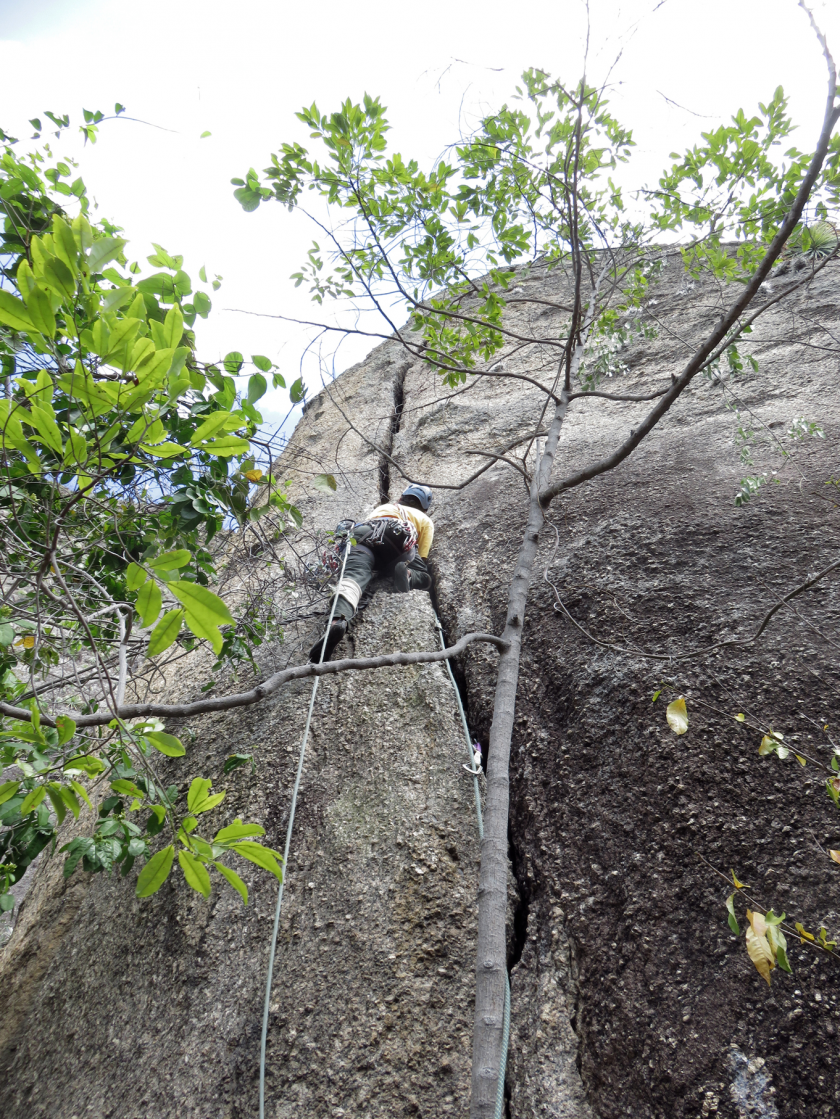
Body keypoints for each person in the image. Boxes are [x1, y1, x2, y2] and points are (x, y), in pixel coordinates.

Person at [308, 485, 435, 663]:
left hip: (364, 533)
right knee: (424, 575)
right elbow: (421, 556)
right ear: (425, 507)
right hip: (398, 539)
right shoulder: (425, 520)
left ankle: (337, 623)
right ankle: (406, 574)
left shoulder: (384, 508)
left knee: (353, 578)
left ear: (402, 497)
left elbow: (374, 532)